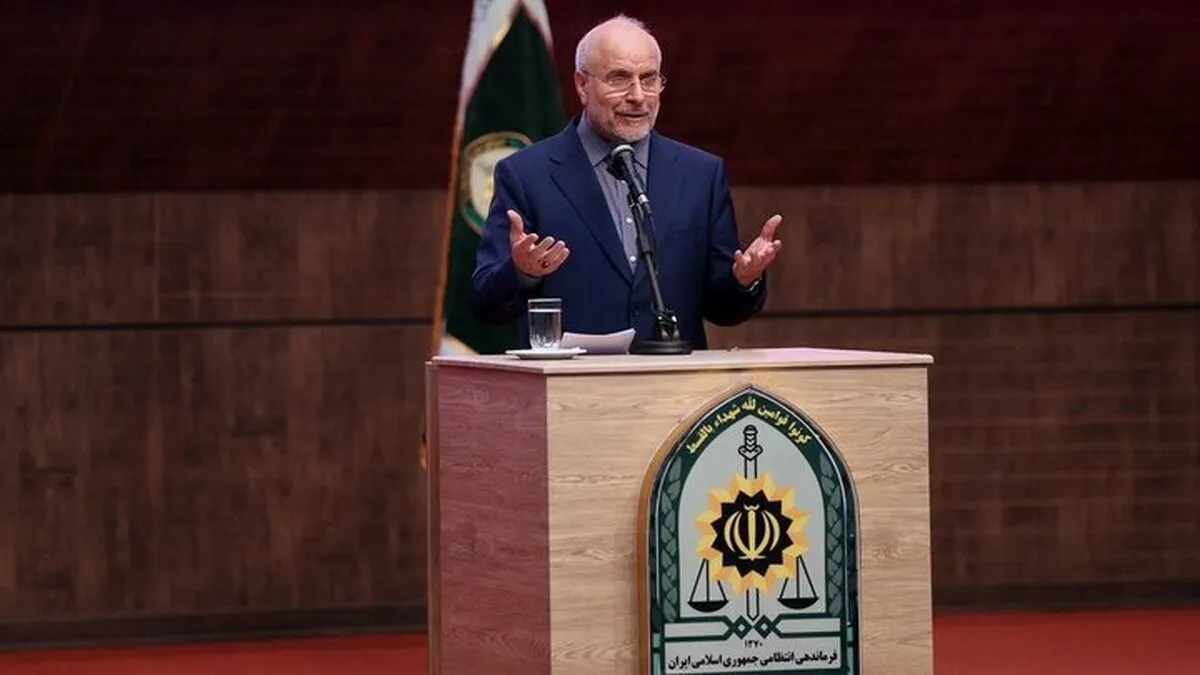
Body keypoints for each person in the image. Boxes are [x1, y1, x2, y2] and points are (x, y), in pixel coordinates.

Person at [469, 14, 783, 351]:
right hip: (575, 382)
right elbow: (485, 303)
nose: (638, 96)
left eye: (649, 79)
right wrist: (522, 272)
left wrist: (744, 280)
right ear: (582, 85)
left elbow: (723, 308)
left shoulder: (701, 174)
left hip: (674, 380)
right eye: (619, 79)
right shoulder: (526, 174)